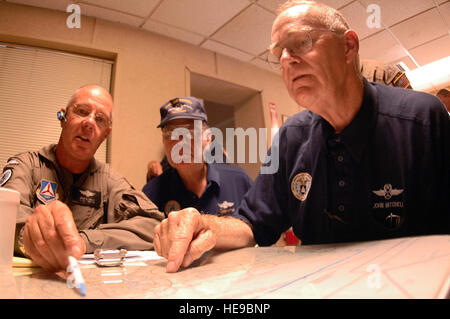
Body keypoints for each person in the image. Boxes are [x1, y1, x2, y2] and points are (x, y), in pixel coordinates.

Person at [153, 0, 449, 273]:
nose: (285, 59)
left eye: (300, 42)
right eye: (278, 52)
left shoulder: (422, 120)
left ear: (348, 47)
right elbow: (252, 225)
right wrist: (203, 225)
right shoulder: (290, 138)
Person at [0, 84, 165, 273]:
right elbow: (4, 218)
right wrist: (30, 237)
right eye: (81, 112)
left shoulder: (110, 180)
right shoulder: (27, 165)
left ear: (106, 134)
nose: (89, 123)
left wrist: (85, 241)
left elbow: (152, 225)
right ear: (63, 117)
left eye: (100, 119)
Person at [142, 96, 253, 218]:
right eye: (170, 133)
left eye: (190, 131)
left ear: (208, 137)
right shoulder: (151, 194)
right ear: (163, 141)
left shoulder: (239, 181)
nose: (180, 142)